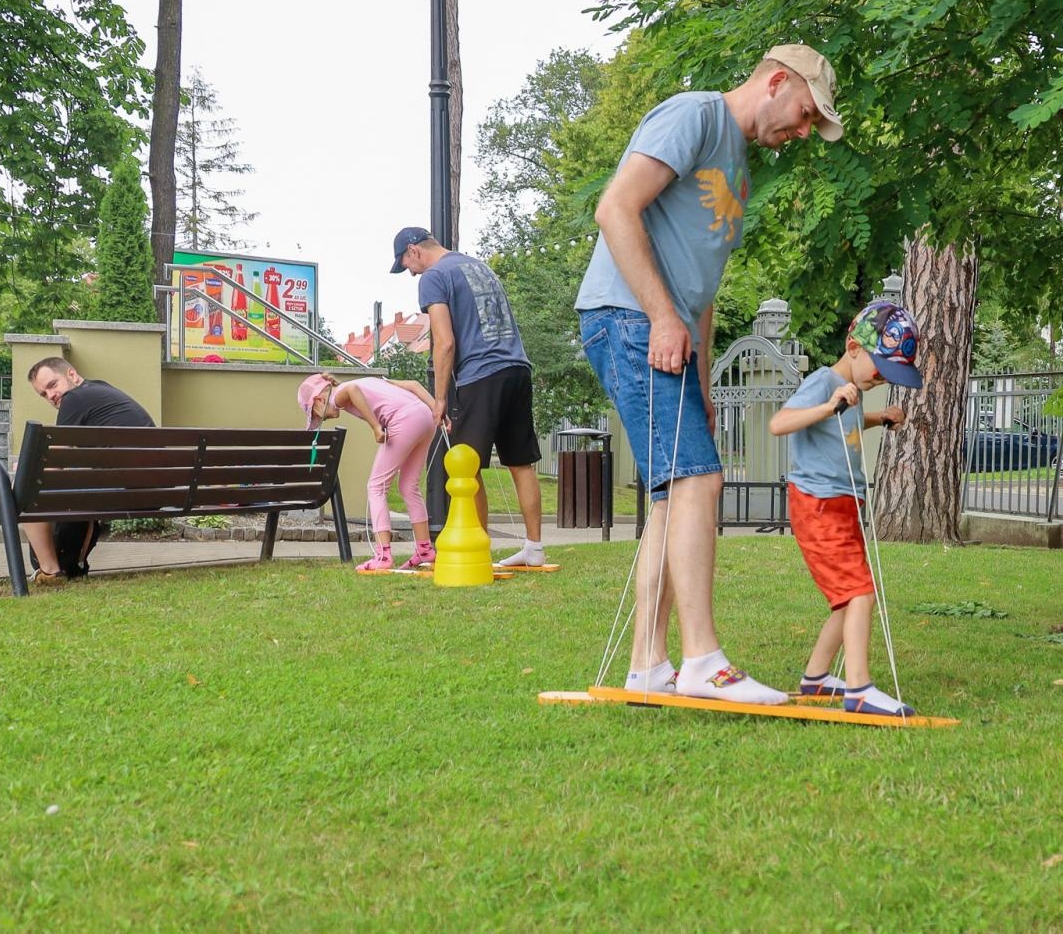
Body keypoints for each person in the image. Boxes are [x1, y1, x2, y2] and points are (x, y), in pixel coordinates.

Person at [575, 43, 844, 705]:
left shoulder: (740, 166)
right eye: (806, 114)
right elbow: (615, 209)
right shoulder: (694, 115)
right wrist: (662, 318)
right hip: (629, 316)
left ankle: (648, 664)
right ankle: (703, 662)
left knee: (675, 493)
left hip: (663, 327)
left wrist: (700, 382)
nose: (803, 131)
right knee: (699, 479)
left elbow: (703, 287)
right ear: (776, 82)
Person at [769, 300, 923, 716]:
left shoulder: (851, 393)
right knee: (859, 592)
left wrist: (878, 417)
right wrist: (829, 403)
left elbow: (845, 423)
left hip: (843, 504)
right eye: (881, 368)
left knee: (847, 597)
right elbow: (779, 424)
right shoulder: (824, 382)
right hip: (818, 504)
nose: (881, 379)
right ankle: (858, 689)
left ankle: (817, 679)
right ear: (854, 347)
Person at [390, 227, 546, 567]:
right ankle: (534, 548)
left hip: (481, 376)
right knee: (521, 463)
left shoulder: (432, 277)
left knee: (465, 466)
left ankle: (478, 551)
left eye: (407, 265)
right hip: (517, 368)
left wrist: (440, 398)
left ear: (414, 250)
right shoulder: (479, 267)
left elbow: (444, 342)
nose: (411, 273)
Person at [24, 357, 154, 586]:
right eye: (43, 394)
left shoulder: (74, 398)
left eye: (53, 385)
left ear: (72, 375)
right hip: (153, 490)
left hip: (125, 487)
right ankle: (74, 565)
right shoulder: (102, 389)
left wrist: (28, 470)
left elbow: (53, 461)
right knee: (76, 493)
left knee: (29, 491)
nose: (51, 396)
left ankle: (50, 571)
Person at [297, 370, 442, 572]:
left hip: (404, 421)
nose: (322, 420)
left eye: (314, 415)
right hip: (426, 417)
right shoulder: (361, 384)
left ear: (319, 400)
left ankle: (383, 556)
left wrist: (375, 426)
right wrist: (437, 410)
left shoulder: (341, 395)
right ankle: (425, 550)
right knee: (409, 486)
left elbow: (353, 391)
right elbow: (414, 385)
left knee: (376, 487)